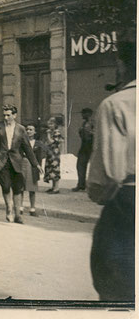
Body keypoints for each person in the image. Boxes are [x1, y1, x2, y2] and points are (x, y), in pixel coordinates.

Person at [88, 41, 135, 301]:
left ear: (123, 65)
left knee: (116, 284)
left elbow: (109, 176)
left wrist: (100, 195)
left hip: (127, 203)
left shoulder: (116, 104)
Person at [0, 104, 42, 224]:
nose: (6, 118)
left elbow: (27, 147)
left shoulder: (20, 129)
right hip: (1, 162)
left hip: (17, 162)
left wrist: (35, 164)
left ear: (14, 115)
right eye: (4, 115)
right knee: (6, 187)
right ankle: (9, 210)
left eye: (8, 115)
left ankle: (18, 215)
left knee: (17, 188)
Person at [20, 124, 45, 217]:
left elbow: (39, 157)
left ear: (35, 132)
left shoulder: (38, 143)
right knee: (21, 186)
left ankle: (32, 208)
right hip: (23, 164)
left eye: (31, 129)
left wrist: (39, 167)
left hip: (33, 167)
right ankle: (20, 207)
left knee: (32, 188)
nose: (29, 131)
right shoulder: (22, 142)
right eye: (27, 129)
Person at [73, 108, 94, 192]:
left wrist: (90, 132)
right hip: (84, 145)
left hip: (91, 146)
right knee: (80, 165)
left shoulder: (93, 123)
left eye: (83, 113)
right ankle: (81, 184)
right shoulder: (84, 123)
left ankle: (91, 186)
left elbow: (97, 133)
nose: (82, 115)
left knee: (92, 167)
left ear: (88, 114)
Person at [44, 116, 64, 194]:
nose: (49, 125)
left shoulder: (56, 132)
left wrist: (48, 134)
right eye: (49, 124)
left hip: (54, 154)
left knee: (54, 169)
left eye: (51, 124)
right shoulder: (53, 132)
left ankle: (56, 188)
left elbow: (51, 142)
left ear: (55, 125)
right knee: (51, 169)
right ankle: (53, 187)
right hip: (50, 153)